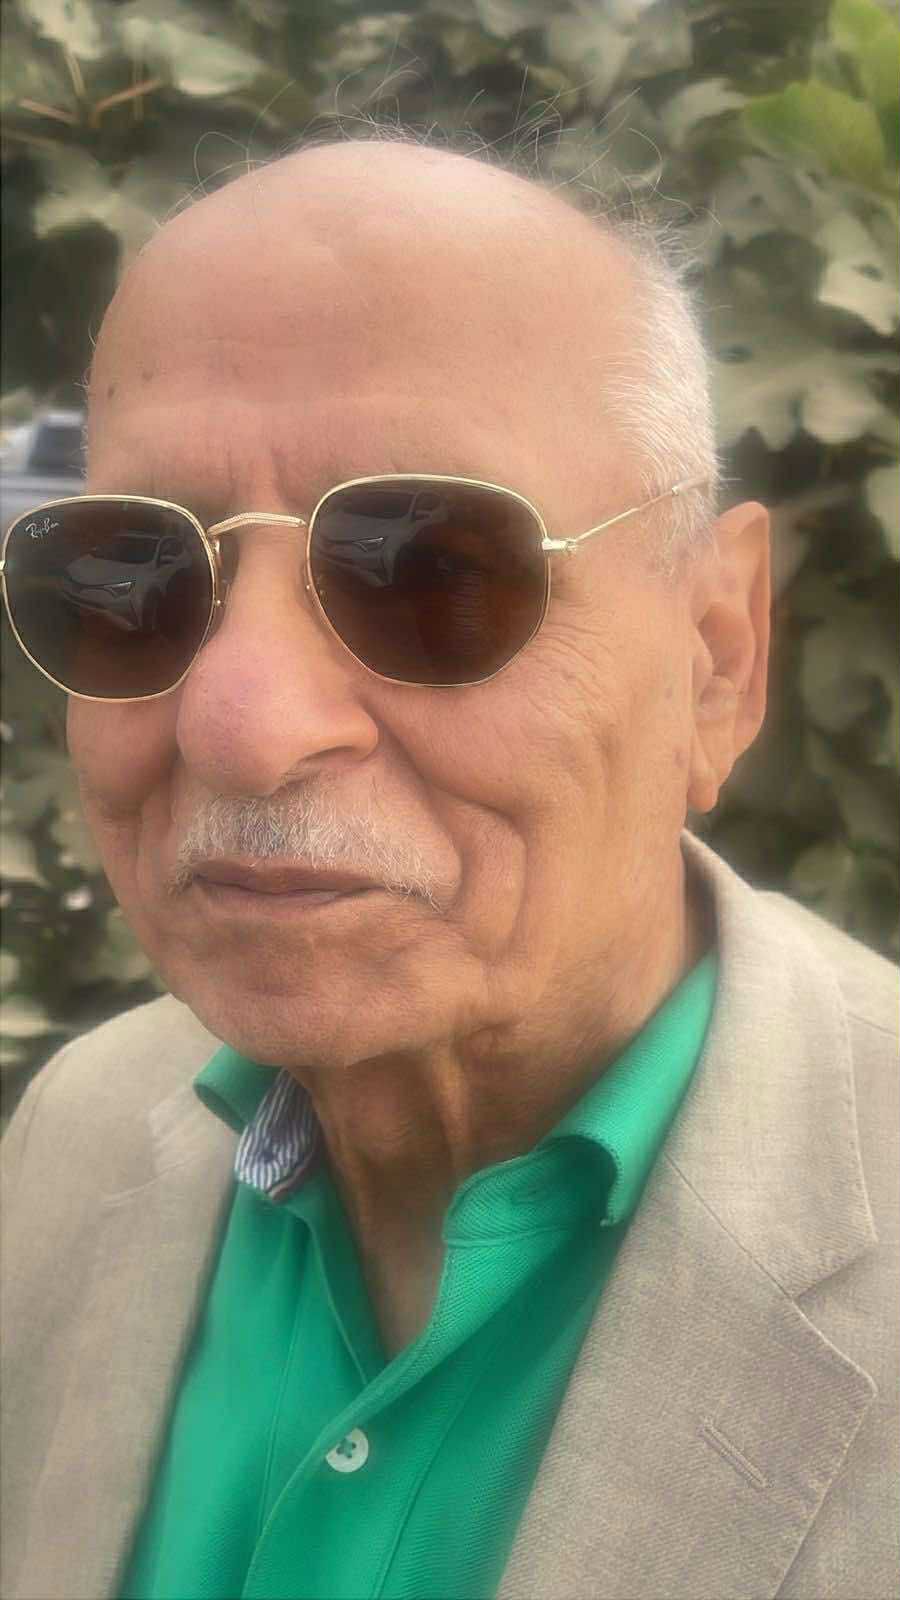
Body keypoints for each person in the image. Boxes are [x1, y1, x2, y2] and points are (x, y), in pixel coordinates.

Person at [1, 137, 897, 1600]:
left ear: (717, 658)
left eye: (430, 571)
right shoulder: (78, 1135)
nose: (240, 727)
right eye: (133, 574)